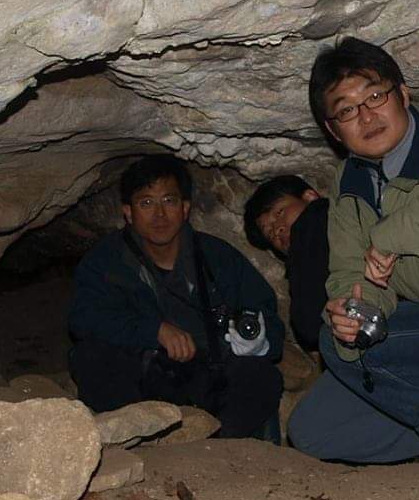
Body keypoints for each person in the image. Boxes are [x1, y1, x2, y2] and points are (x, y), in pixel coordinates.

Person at [285, 38, 419, 466]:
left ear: (403, 94)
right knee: (313, 427)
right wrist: (353, 311)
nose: (366, 116)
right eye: (347, 111)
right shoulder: (349, 185)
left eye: (375, 96)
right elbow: (352, 271)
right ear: (333, 130)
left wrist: (391, 234)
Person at [68, 155, 285, 439]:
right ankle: (140, 437)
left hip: (209, 376)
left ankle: (216, 444)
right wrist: (153, 331)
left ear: (184, 208)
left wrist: (257, 342)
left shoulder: (218, 257)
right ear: (128, 212)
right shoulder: (106, 261)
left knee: (262, 376)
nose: (159, 214)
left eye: (169, 201)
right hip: (143, 379)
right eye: (146, 203)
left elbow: (266, 319)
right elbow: (83, 318)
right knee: (90, 357)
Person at [243, 175, 328, 354]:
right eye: (269, 232)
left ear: (310, 197)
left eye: (279, 212)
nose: (277, 229)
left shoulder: (320, 215)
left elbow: (310, 326)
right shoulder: (302, 264)